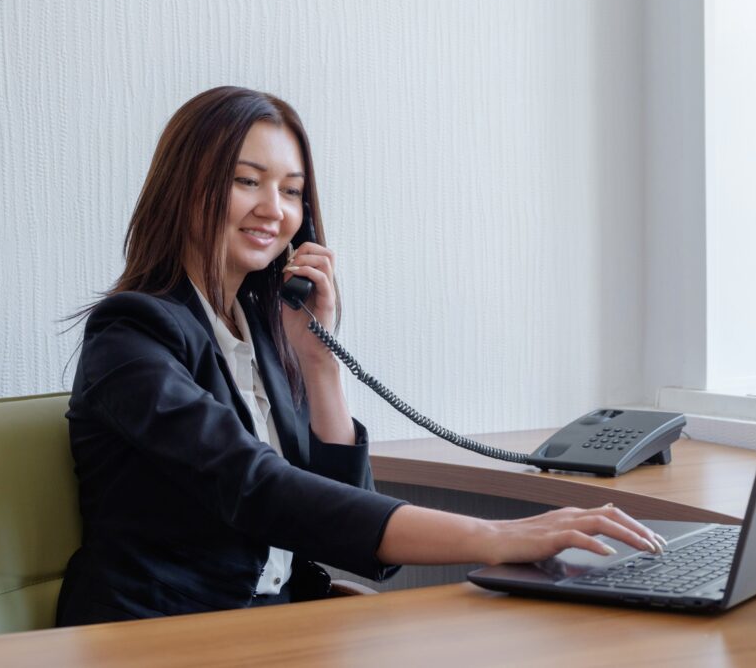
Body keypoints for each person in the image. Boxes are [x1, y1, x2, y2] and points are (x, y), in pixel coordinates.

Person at [56, 86, 666, 625]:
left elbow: (334, 521)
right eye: (247, 181)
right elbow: (257, 489)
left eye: (291, 191)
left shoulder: (260, 337)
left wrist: (320, 364)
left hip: (268, 625)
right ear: (184, 186)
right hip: (161, 633)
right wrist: (493, 535)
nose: (275, 209)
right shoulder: (130, 335)